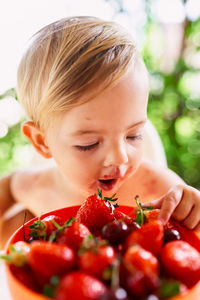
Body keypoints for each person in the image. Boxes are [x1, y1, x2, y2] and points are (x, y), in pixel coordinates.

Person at [0, 16, 200, 247]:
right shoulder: (36, 186)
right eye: (89, 143)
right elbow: (8, 189)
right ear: (42, 142)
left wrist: (194, 213)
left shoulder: (158, 188)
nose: (120, 157)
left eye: (133, 135)